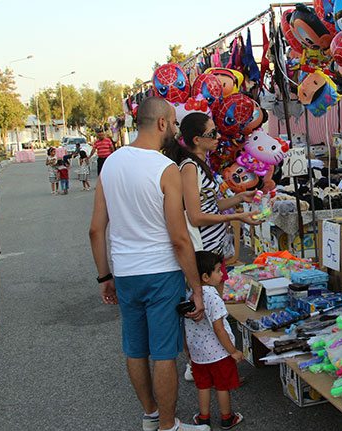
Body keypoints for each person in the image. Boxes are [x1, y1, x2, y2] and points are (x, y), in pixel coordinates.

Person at [89, 97, 209, 431]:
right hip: (161, 273)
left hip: (126, 272)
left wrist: (104, 276)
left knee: (135, 348)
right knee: (164, 354)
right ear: (160, 124)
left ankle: (151, 414)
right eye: (173, 123)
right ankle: (168, 426)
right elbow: (179, 238)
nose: (175, 129)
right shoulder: (165, 169)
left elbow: (96, 229)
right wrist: (196, 288)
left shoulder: (111, 163)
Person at [163, 112, 261, 265]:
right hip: (204, 253)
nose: (219, 137)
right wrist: (235, 217)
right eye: (212, 133)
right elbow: (195, 217)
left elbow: (210, 206)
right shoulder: (190, 168)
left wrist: (240, 198)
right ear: (197, 140)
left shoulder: (201, 164)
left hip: (215, 249)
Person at [184, 251, 244, 430]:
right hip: (219, 353)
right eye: (218, 271)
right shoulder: (212, 297)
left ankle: (203, 418)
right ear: (206, 276)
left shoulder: (189, 296)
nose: (221, 274)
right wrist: (233, 351)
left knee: (203, 385)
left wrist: (187, 349)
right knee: (222, 386)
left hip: (198, 353)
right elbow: (219, 329)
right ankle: (227, 417)